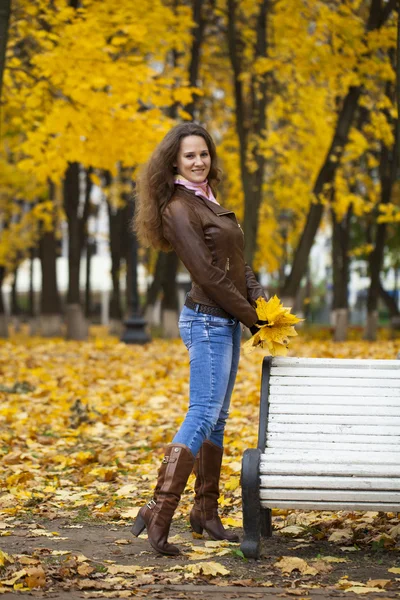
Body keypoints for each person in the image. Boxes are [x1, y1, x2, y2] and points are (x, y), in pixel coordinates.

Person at [131, 122, 266, 556]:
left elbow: (236, 263)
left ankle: (205, 513)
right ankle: (160, 511)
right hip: (207, 321)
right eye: (189, 155)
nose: (198, 161)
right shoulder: (177, 208)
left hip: (224, 320)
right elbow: (208, 274)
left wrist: (261, 304)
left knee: (218, 419)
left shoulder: (208, 201)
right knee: (203, 413)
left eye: (204, 154)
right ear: (175, 161)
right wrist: (252, 318)